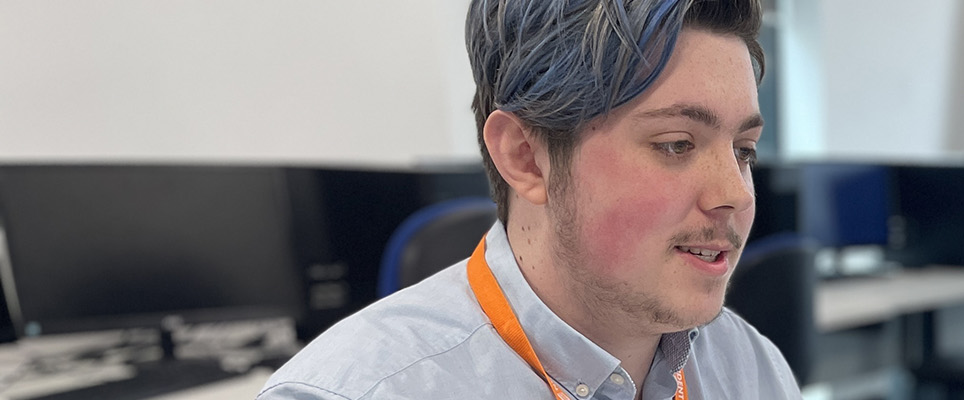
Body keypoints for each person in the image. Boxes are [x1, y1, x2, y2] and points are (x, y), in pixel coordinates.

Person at [259, 0, 800, 398]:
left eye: (744, 151)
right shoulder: (352, 392)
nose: (734, 194)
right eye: (676, 144)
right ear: (525, 157)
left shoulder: (749, 368)